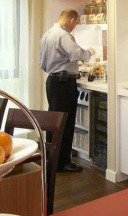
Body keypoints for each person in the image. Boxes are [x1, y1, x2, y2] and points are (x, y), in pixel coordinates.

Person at [39, 9, 94, 172]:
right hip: (63, 83)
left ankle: (51, 158)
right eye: (76, 22)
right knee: (66, 122)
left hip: (52, 81)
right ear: (72, 20)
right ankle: (63, 162)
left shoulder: (48, 34)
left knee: (54, 121)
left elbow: (42, 62)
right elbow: (77, 53)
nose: (75, 26)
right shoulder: (64, 35)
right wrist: (90, 52)